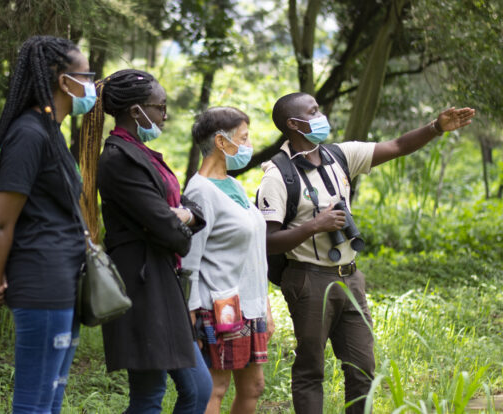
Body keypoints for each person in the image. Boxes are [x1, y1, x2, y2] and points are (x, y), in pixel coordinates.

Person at [257, 92, 475, 413]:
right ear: (293, 123)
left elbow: (397, 146)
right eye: (313, 112)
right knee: (310, 369)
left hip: (350, 278)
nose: (321, 116)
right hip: (308, 279)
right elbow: (267, 240)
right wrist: (314, 226)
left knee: (362, 368)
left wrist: (435, 128)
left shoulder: (339, 155)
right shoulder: (277, 175)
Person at [0, 36, 97, 413]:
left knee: (51, 400)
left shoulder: (50, 131)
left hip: (65, 284)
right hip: (41, 283)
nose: (93, 85)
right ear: (65, 82)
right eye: (87, 76)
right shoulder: (28, 134)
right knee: (34, 404)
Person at [83, 69, 213, 413]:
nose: (165, 115)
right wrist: (182, 219)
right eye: (161, 106)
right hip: (141, 285)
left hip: (161, 278)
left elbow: (188, 210)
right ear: (136, 111)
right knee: (151, 395)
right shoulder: (118, 159)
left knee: (196, 389)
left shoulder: (140, 153)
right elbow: (167, 228)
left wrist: (185, 216)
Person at [182, 107, 275, 414]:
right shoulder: (200, 191)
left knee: (254, 387)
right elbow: (189, 261)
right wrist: (190, 318)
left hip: (249, 305)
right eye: (243, 138)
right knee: (215, 388)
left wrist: (265, 306)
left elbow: (253, 252)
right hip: (219, 306)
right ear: (221, 142)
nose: (249, 145)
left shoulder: (233, 185)